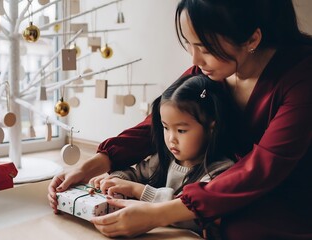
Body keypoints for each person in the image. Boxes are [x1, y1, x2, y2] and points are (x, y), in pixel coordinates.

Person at [48, 0, 312, 239]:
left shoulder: (301, 77)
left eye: (205, 47)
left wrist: (156, 215)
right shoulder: (210, 71)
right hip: (222, 188)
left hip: (283, 195)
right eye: (189, 44)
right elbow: (153, 124)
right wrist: (88, 167)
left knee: (239, 230)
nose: (194, 59)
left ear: (252, 39)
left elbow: (263, 169)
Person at [88, 74, 235, 236]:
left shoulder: (220, 171)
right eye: (166, 128)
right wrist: (114, 180)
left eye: (181, 130)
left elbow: (187, 212)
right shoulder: (164, 158)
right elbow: (136, 173)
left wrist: (139, 190)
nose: (171, 139)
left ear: (211, 127)